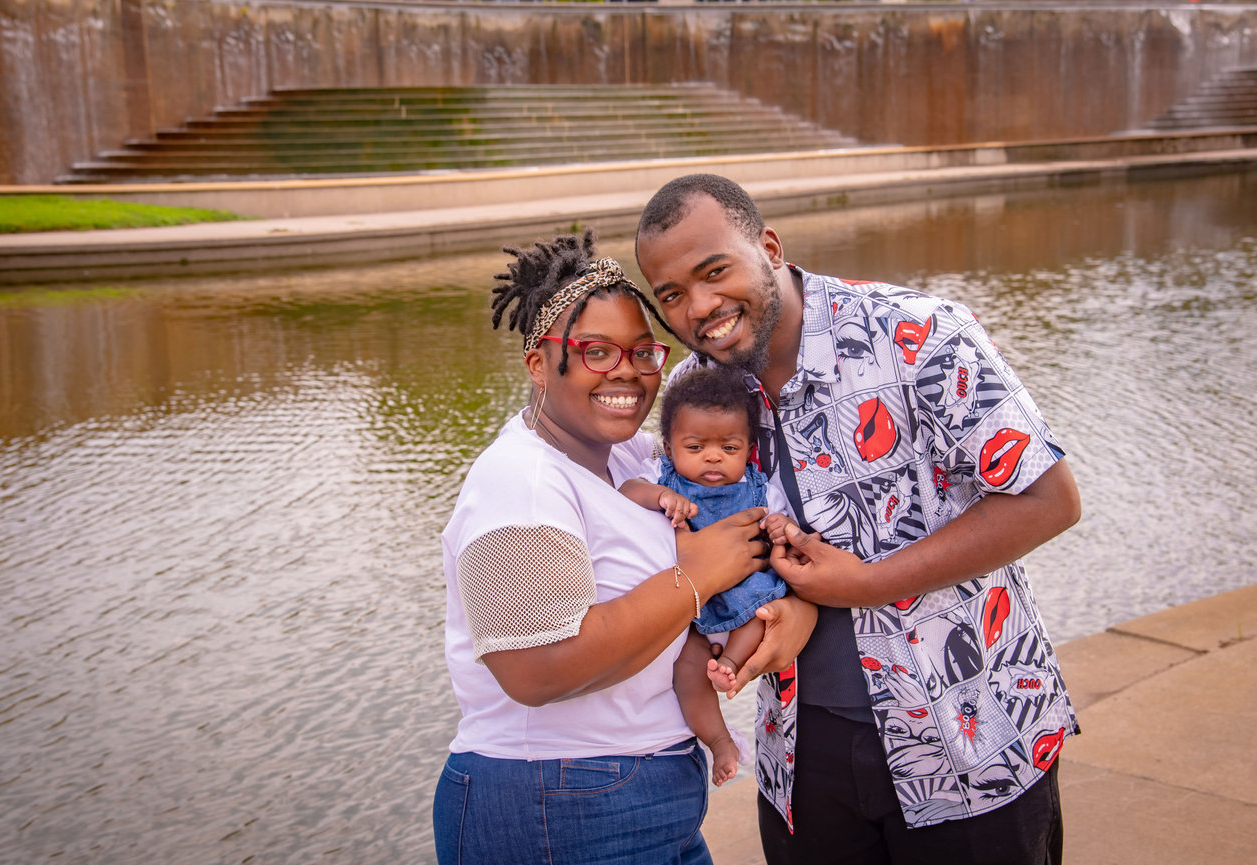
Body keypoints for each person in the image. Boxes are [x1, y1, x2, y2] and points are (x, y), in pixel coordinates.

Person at [634, 174, 1082, 865]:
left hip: (971, 744)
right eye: (672, 295)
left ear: (770, 247)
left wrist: (867, 582)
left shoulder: (919, 336)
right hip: (805, 761)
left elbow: (1049, 498)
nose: (700, 307)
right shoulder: (693, 397)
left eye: (714, 270)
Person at [432, 230, 818, 865]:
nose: (628, 373)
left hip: (647, 793)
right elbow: (535, 670)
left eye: (644, 352)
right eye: (596, 351)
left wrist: (788, 607)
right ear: (538, 363)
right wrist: (696, 577)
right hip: (552, 803)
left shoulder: (632, 457)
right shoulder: (522, 480)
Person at [620, 365, 800, 701]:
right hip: (684, 596)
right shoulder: (661, 474)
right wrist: (660, 496)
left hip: (744, 587)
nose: (713, 456)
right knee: (687, 665)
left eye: (729, 448)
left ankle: (730, 664)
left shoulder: (760, 489)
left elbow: (785, 523)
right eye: (696, 447)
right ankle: (718, 741)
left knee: (763, 609)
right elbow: (628, 490)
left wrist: (781, 527)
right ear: (670, 449)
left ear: (748, 451)